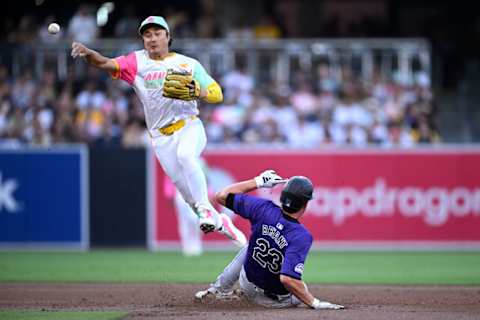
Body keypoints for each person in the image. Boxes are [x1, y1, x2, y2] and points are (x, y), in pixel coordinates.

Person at [70, 16, 246, 247]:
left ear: (168, 37)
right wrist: (88, 52)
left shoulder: (188, 64)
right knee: (187, 197)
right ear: (143, 39)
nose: (152, 38)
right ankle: (222, 222)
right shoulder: (137, 62)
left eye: (157, 33)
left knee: (186, 156)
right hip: (161, 138)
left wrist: (198, 92)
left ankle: (206, 210)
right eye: (147, 34)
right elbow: (105, 63)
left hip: (189, 126)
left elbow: (217, 93)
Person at [195, 170, 344, 310]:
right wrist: (315, 303)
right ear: (305, 204)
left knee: (251, 247)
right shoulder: (301, 236)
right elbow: (287, 280)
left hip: (246, 283)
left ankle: (217, 290)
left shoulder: (262, 208)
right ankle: (237, 295)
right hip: (272, 301)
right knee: (300, 288)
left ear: (282, 196)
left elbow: (221, 195)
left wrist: (258, 181)